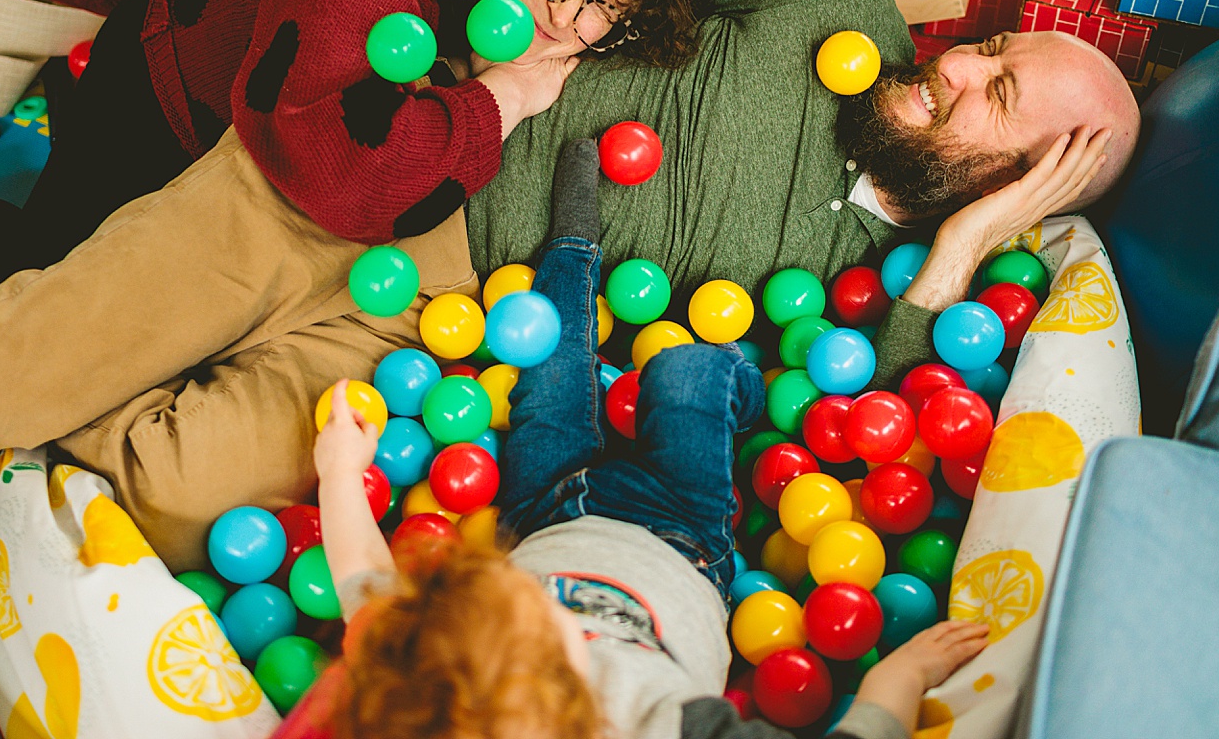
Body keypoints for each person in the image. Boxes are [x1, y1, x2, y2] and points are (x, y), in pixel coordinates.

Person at [0, 0, 704, 569]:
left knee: (100, 368)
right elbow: (342, 176)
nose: (561, 9)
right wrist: (504, 97)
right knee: (27, 287)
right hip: (174, 96)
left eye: (599, 10)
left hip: (339, 174)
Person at [276, 0, 1138, 385]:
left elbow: (871, 423)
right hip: (397, 111)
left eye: (1000, 94)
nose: (952, 62)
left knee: (175, 480)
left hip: (439, 293)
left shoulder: (907, 294)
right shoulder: (843, 11)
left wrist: (963, 243)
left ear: (1027, 183)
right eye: (992, 50)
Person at [311, 141, 989, 739]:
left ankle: (571, 240)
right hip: (679, 535)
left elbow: (365, 586)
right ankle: (744, 396)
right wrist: (899, 679)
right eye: (549, 625)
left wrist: (341, 474)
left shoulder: (420, 681)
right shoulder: (667, 723)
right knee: (686, 372)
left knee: (547, 362)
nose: (553, 604)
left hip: (542, 511)